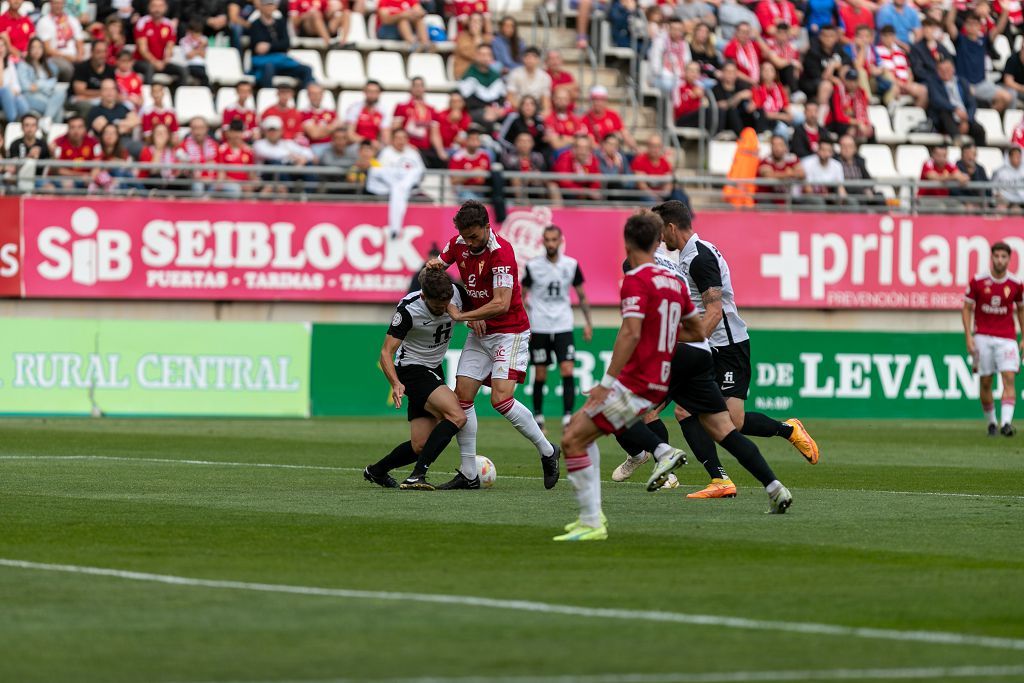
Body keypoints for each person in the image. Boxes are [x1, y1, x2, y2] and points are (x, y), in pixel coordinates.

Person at [610, 206, 796, 513]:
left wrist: (617, 372)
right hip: (702, 351)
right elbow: (697, 317)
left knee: (616, 405)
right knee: (722, 427)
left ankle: (660, 452)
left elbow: (634, 329)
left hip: (681, 350)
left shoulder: (643, 269)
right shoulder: (677, 267)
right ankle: (775, 488)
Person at [642, 200, 819, 498]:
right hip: (707, 346)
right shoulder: (688, 257)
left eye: (662, 231)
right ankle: (719, 480)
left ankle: (787, 430)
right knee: (684, 411)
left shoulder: (699, 258)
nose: (661, 239)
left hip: (727, 346)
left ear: (671, 227)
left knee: (732, 423)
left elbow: (714, 310)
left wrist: (693, 345)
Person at [555, 212, 691, 541]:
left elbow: (630, 333)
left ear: (628, 242)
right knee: (579, 435)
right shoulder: (675, 280)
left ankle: (593, 520)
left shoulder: (636, 278)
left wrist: (607, 382)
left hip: (636, 380)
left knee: (572, 438)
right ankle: (593, 515)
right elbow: (697, 328)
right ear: (658, 241)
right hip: (658, 377)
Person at [424, 200, 561, 491]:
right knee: (462, 397)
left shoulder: (502, 254)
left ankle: (548, 451)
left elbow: (500, 303)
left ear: (488, 227)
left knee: (500, 399)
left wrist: (463, 315)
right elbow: (438, 270)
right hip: (479, 331)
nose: (469, 242)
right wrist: (434, 265)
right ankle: (469, 473)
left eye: (474, 236)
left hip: (509, 332)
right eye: (465, 236)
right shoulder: (460, 241)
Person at [364, 268, 468, 490]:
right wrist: (395, 383)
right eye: (437, 306)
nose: (443, 310)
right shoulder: (409, 309)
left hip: (433, 368)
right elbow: (385, 353)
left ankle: (376, 471)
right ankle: (417, 475)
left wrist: (476, 320)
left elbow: (477, 307)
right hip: (411, 369)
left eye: (446, 304)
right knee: (457, 416)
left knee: (419, 445)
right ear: (423, 296)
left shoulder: (456, 293)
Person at [522, 225, 593, 431]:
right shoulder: (533, 266)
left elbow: (581, 295)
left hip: (563, 324)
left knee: (567, 369)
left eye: (554, 240)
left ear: (560, 241)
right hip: (540, 325)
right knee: (541, 373)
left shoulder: (571, 265)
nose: (551, 244)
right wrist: (526, 318)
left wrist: (588, 323)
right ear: (542, 241)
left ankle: (567, 418)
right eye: (547, 240)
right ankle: (538, 416)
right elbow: (521, 293)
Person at [962, 242, 1023, 437]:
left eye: (1003, 257)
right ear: (991, 257)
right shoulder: (978, 281)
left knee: (1009, 378)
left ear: (1009, 259)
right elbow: (967, 308)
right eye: (996, 256)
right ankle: (991, 423)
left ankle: (1006, 423)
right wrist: (968, 336)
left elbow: (1021, 309)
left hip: (1007, 337)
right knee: (986, 382)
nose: (1000, 260)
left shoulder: (1016, 284)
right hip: (983, 336)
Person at [366, 128, 425, 238]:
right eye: (398, 138)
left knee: (406, 182)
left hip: (410, 189)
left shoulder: (413, 153)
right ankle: (395, 228)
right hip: (387, 188)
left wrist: (405, 182)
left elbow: (420, 172)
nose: (400, 141)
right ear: (392, 139)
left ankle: (396, 228)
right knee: (397, 188)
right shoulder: (386, 153)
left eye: (403, 138)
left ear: (407, 140)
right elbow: (378, 172)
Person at [248, 0, 314, 90]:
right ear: (261, 7)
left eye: (271, 5)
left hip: (281, 61)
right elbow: (258, 48)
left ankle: (304, 97)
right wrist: (276, 46)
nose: (269, 8)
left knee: (306, 69)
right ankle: (268, 95)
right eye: (267, 5)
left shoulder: (281, 23)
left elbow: (286, 43)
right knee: (268, 67)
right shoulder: (255, 25)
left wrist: (269, 46)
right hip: (264, 62)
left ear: (275, 7)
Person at [927, 59, 986, 146]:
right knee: (944, 113)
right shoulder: (933, 83)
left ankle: (980, 153)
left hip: (963, 117)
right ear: (937, 71)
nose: (945, 72)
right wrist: (955, 109)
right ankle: (957, 142)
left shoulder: (962, 82)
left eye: (947, 69)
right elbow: (937, 100)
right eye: (941, 70)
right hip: (945, 119)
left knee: (979, 130)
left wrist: (967, 120)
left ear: (953, 69)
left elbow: (972, 103)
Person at [253, 115, 315, 194]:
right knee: (276, 164)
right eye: (270, 130)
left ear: (281, 131)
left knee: (308, 164)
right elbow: (271, 154)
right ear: (265, 131)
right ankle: (288, 196)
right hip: (266, 176)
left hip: (287, 173)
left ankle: (308, 195)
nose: (273, 133)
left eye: (275, 130)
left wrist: (303, 159)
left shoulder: (286, 143)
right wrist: (295, 157)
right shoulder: (259, 144)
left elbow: (308, 153)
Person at [133, 0, 187, 85]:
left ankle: (176, 95)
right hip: (142, 61)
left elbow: (169, 48)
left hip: (162, 62)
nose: (157, 9)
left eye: (160, 6)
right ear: (149, 7)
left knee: (183, 70)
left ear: (165, 8)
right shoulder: (142, 22)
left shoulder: (169, 25)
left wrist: (164, 61)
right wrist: (155, 62)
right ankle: (148, 95)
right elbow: (143, 50)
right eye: (154, 6)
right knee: (149, 68)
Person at [876, 24, 928, 108]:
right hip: (892, 84)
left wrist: (908, 83)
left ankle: (915, 114)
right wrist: (899, 83)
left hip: (905, 83)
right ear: (881, 37)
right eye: (885, 36)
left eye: (891, 35)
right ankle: (894, 118)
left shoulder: (900, 52)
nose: (888, 38)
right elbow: (884, 72)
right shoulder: (877, 51)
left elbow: (908, 70)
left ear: (894, 37)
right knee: (894, 90)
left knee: (923, 91)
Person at [458, 44, 506, 128]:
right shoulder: (469, 76)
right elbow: (467, 101)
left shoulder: (495, 76)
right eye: (482, 55)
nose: (485, 58)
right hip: (475, 111)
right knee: (488, 117)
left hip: (493, 110)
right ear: (476, 56)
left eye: (488, 55)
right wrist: (486, 108)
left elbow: (501, 97)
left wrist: (500, 108)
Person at [36, 0, 85, 81]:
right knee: (68, 68)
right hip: (54, 57)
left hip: (74, 56)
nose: (58, 6)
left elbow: (79, 41)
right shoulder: (44, 21)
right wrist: (68, 57)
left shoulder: (72, 20)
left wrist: (79, 56)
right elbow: (47, 49)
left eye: (60, 3)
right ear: (50, 4)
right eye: (55, 3)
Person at [548, 133, 602, 204]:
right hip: (565, 191)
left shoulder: (593, 159)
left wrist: (591, 190)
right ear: (574, 148)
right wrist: (583, 191)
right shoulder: (565, 157)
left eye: (586, 148)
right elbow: (564, 182)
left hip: (584, 191)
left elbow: (596, 179)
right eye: (580, 147)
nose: (583, 151)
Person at [392, 77, 437, 161]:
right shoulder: (402, 107)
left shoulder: (431, 109)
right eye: (415, 86)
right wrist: (406, 144)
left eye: (421, 86)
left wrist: (441, 152)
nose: (418, 88)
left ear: (424, 88)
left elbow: (435, 134)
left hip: (425, 149)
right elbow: (395, 129)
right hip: (406, 148)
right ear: (411, 88)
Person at [50, 115, 100, 190]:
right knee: (67, 183)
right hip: (68, 178)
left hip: (87, 179)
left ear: (85, 129)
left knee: (99, 182)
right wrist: (81, 175)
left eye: (80, 127)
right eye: (73, 127)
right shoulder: (58, 144)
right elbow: (59, 170)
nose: (76, 131)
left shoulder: (94, 143)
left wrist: (91, 178)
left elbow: (97, 164)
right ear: (68, 129)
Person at [584, 85, 637, 153]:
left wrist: (636, 148)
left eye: (601, 99)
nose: (598, 103)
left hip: (614, 151)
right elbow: (591, 143)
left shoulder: (613, 115)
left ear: (606, 101)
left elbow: (625, 134)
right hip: (598, 154)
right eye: (595, 99)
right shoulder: (586, 119)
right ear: (591, 101)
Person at [176, 116, 220, 196]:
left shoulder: (215, 145)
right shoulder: (183, 146)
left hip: (213, 181)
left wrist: (217, 181)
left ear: (207, 129)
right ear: (191, 130)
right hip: (194, 181)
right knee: (198, 186)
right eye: (195, 128)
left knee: (231, 188)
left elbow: (221, 167)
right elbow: (182, 172)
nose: (198, 132)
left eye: (201, 128)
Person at [70, 40, 114, 118]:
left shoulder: (110, 70)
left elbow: (113, 92)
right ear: (92, 52)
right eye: (98, 52)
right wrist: (103, 93)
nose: (102, 55)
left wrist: (98, 95)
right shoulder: (82, 67)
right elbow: (79, 91)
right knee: (86, 106)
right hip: (77, 99)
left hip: (98, 99)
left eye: (104, 52)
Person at [344, 80, 391, 151]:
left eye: (375, 91)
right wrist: (369, 142)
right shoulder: (355, 108)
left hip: (375, 147)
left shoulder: (384, 111)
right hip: (357, 145)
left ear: (379, 93)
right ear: (364, 92)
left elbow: (385, 136)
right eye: (369, 91)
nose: (372, 94)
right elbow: (350, 135)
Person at [448, 124, 491, 201]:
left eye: (477, 139)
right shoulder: (458, 157)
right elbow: (453, 180)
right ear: (466, 141)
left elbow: (488, 176)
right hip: (464, 190)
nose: (475, 142)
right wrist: (471, 174)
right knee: (471, 200)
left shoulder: (485, 155)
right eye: (472, 139)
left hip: (481, 190)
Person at [713, 60, 755, 137]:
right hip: (725, 122)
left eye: (733, 72)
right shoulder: (716, 88)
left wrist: (752, 103)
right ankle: (742, 137)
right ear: (722, 72)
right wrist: (738, 97)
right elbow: (722, 105)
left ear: (736, 74)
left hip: (742, 120)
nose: (730, 74)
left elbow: (751, 96)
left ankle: (759, 134)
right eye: (727, 71)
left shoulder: (741, 86)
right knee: (731, 110)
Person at [758, 134, 804, 203]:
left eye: (780, 145)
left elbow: (802, 174)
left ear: (785, 147)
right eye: (774, 145)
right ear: (771, 147)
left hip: (789, 198)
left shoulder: (792, 158)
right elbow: (768, 175)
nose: (777, 148)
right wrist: (788, 174)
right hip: (770, 199)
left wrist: (779, 175)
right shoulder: (765, 160)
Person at [506, 46, 552, 112]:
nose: (530, 60)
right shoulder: (515, 74)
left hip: (536, 110)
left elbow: (545, 100)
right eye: (527, 57)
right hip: (518, 109)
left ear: (538, 60)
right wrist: (524, 110)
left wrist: (544, 112)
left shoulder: (545, 77)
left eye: (533, 57)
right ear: (523, 59)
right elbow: (510, 97)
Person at [217, 117, 255, 197]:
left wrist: (252, 184)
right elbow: (221, 174)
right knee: (235, 189)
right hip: (228, 186)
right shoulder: (222, 150)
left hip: (245, 186)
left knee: (251, 194)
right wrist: (239, 184)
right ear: (229, 133)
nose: (236, 135)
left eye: (239, 131)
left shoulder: (248, 151)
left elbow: (251, 174)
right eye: (234, 131)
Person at [544, 88, 586, 155]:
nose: (561, 101)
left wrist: (561, 138)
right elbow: (556, 145)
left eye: (564, 99)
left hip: (575, 154)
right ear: (554, 100)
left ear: (569, 101)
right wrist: (573, 139)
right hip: (556, 155)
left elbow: (581, 141)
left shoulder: (575, 119)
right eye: (559, 98)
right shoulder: (548, 119)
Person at [137, 121, 177, 190]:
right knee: (156, 176)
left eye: (164, 133)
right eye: (158, 133)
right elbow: (153, 170)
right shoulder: (147, 150)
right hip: (149, 183)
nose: (161, 135)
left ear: (168, 135)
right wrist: (159, 148)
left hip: (168, 182)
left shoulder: (173, 151)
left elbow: (175, 172)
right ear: (153, 136)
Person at [836, 134, 875, 203]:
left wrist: (868, 189)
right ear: (840, 148)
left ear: (854, 148)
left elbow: (868, 179)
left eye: (850, 147)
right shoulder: (836, 162)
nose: (847, 149)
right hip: (847, 192)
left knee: (879, 196)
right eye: (844, 146)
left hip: (862, 191)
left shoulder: (860, 161)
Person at [952, 141, 991, 206]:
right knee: (969, 207)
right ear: (962, 155)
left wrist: (974, 173)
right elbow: (954, 191)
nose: (971, 157)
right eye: (968, 154)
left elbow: (987, 188)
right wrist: (967, 200)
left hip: (980, 201)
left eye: (973, 154)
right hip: (962, 201)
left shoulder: (980, 168)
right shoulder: (955, 168)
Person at [180, 17, 211, 86]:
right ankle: (209, 91)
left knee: (202, 74)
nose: (197, 35)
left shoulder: (204, 39)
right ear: (190, 31)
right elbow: (189, 56)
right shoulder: (184, 40)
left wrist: (195, 50)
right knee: (203, 76)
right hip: (189, 65)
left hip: (201, 65)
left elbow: (203, 55)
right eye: (195, 32)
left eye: (199, 32)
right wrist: (200, 47)